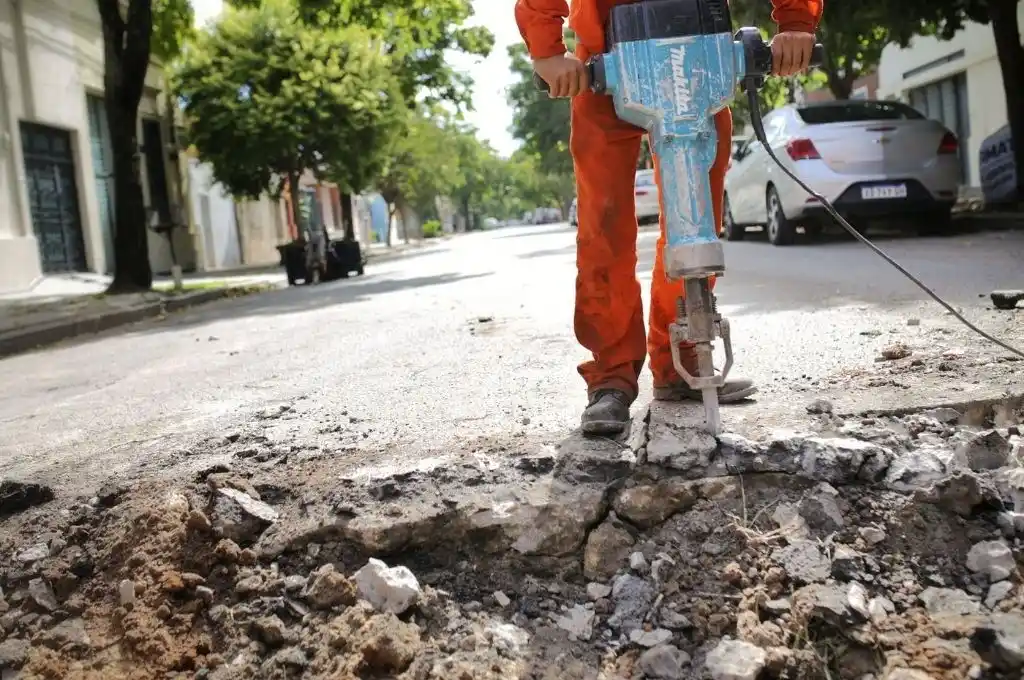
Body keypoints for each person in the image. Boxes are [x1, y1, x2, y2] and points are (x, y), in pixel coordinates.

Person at [515, 0, 823, 435]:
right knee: (604, 231)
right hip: (605, 66)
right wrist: (547, 50)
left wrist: (796, 23)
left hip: (699, 60)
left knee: (694, 217)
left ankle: (682, 360)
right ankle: (611, 379)